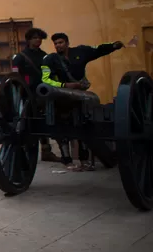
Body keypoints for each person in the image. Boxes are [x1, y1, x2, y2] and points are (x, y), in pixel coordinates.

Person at [41, 33, 125, 170]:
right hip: (61, 98)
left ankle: (84, 160)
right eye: (55, 43)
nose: (58, 45)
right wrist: (65, 86)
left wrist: (113, 46)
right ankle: (67, 160)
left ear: (67, 43)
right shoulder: (50, 59)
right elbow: (45, 79)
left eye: (61, 42)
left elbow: (97, 50)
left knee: (83, 126)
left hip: (80, 96)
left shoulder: (80, 52)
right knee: (62, 128)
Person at [11, 27, 60, 163]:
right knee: (26, 121)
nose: (37, 40)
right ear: (28, 40)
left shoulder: (44, 56)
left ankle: (46, 150)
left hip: (42, 92)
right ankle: (25, 148)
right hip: (26, 92)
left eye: (39, 38)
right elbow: (15, 75)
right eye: (34, 38)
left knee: (43, 118)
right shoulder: (20, 57)